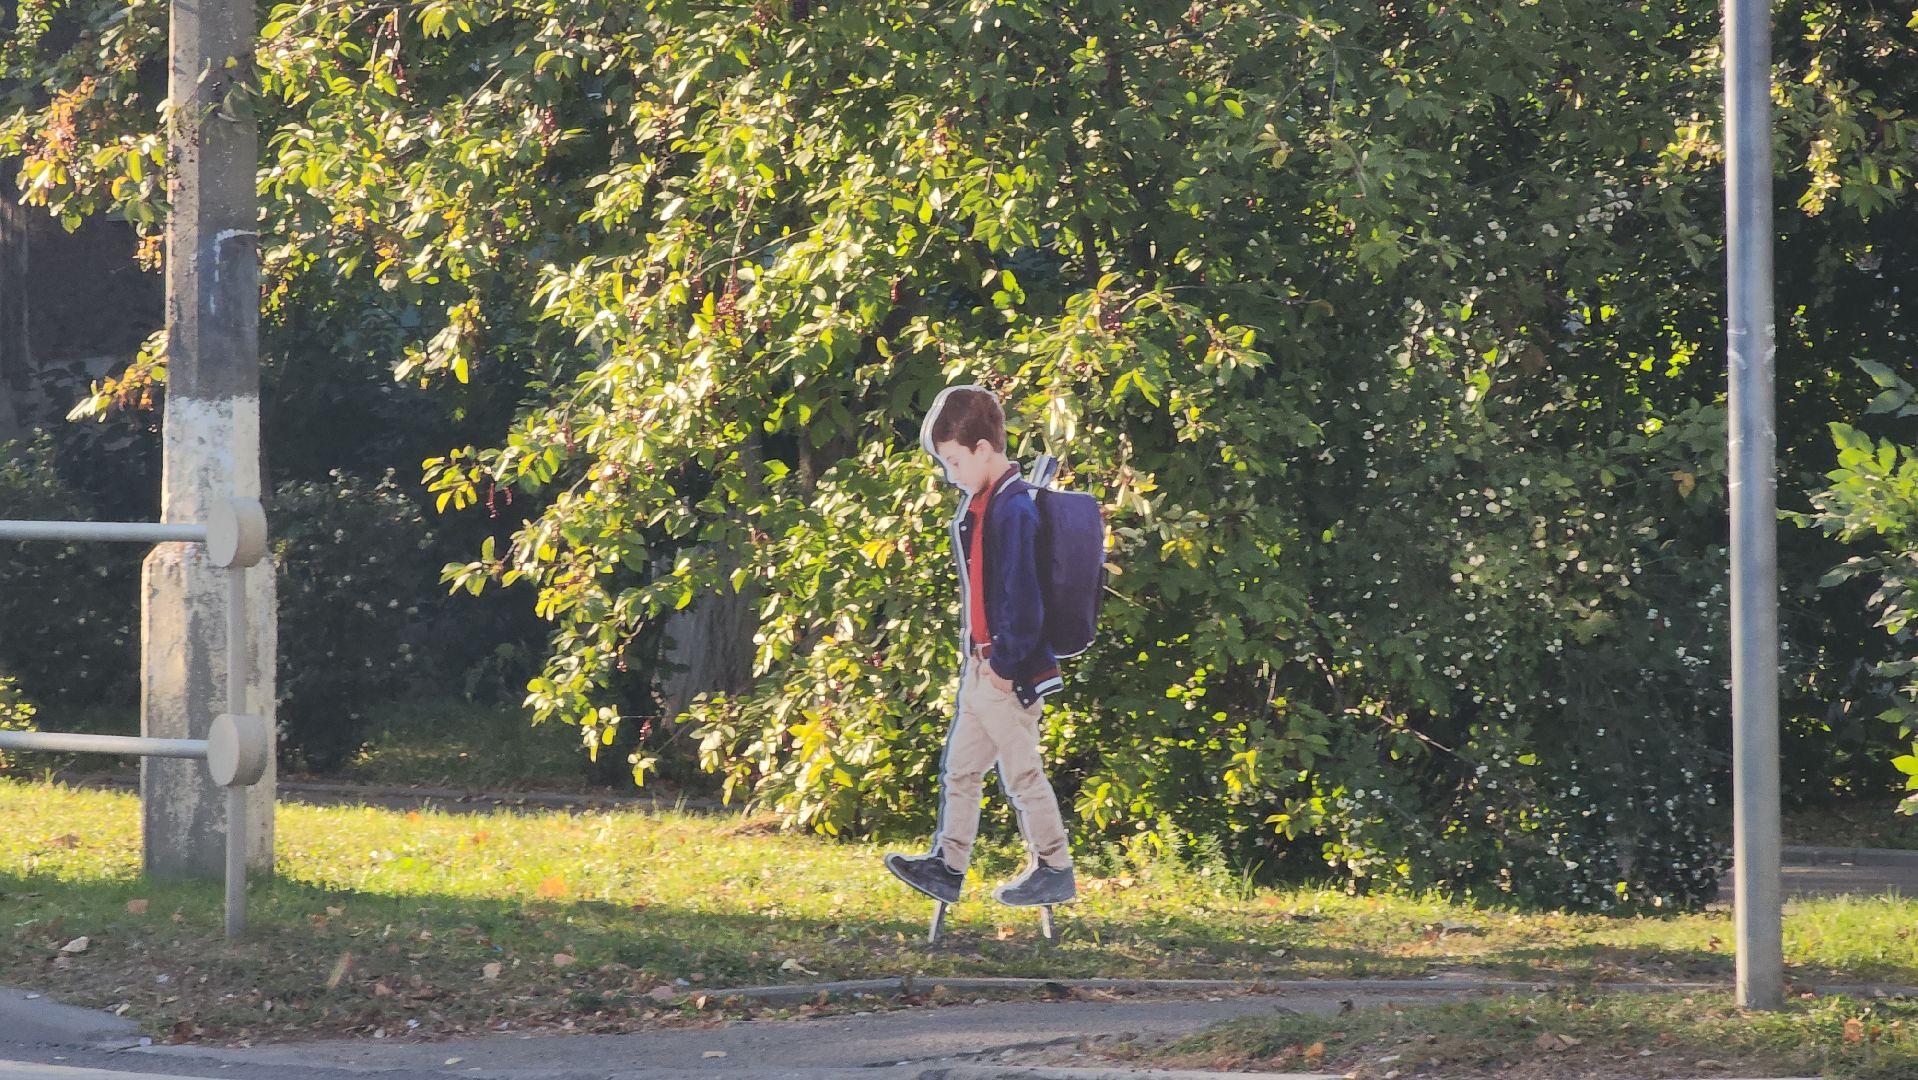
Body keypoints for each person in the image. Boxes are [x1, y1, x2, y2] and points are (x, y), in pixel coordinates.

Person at [884, 384, 1076, 908]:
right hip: (981, 665)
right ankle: (948, 864)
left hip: (1004, 670)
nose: (951, 474)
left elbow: (1023, 599)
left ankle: (1056, 866)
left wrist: (1006, 666)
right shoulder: (985, 504)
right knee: (962, 770)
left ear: (984, 450)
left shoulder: (1012, 510)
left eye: (953, 461)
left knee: (1021, 773)